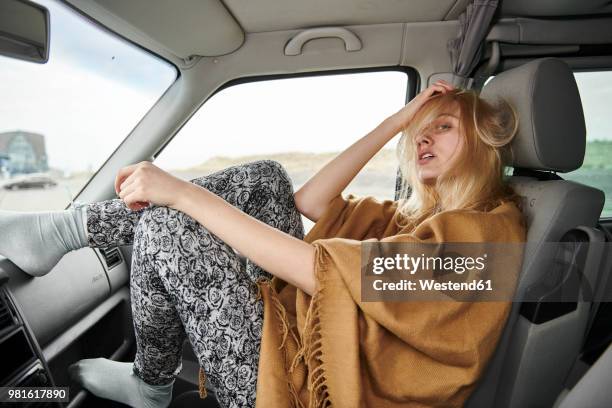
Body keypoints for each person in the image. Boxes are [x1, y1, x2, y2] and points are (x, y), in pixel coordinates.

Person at [0, 79, 526, 408]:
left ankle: (149, 384)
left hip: (315, 394)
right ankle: (67, 232)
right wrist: (395, 122)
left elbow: (322, 271)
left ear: (483, 142)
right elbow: (310, 199)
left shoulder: (484, 243)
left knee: (166, 227)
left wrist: (181, 193)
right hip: (305, 338)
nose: (424, 138)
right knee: (266, 179)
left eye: (445, 126)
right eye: (421, 131)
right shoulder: (421, 218)